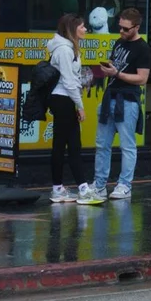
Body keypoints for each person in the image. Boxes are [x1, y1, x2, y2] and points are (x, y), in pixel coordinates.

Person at [78, 8, 151, 205]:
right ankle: (100, 185)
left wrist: (117, 73)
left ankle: (124, 185)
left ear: (136, 27)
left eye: (126, 29)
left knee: (127, 145)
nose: (121, 31)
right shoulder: (119, 42)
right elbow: (115, 63)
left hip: (127, 99)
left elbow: (142, 78)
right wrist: (108, 68)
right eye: (120, 27)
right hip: (110, 95)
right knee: (102, 144)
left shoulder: (143, 48)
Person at [47, 13, 92, 204]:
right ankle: (82, 189)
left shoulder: (66, 48)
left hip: (62, 99)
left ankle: (59, 188)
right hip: (63, 99)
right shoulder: (65, 50)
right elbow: (68, 81)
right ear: (72, 29)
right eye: (82, 26)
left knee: (62, 144)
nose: (85, 29)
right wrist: (80, 106)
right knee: (72, 144)